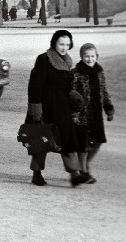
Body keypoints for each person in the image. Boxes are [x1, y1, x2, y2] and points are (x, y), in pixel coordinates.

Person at [26, 29, 82, 187]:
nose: (64, 47)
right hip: (46, 107)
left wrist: (74, 96)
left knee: (68, 139)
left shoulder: (67, 62)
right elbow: (35, 86)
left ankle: (74, 173)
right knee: (41, 141)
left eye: (67, 44)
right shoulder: (44, 59)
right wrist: (36, 110)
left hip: (62, 108)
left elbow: (66, 86)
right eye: (61, 44)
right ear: (54, 43)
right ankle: (37, 173)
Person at [71, 43, 115, 184]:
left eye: (92, 56)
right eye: (86, 56)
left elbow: (104, 91)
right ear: (81, 57)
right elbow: (70, 95)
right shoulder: (75, 73)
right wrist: (74, 113)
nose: (90, 59)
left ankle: (84, 166)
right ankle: (82, 172)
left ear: (97, 56)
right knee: (82, 145)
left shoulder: (99, 72)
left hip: (96, 114)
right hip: (82, 115)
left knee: (97, 142)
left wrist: (108, 108)